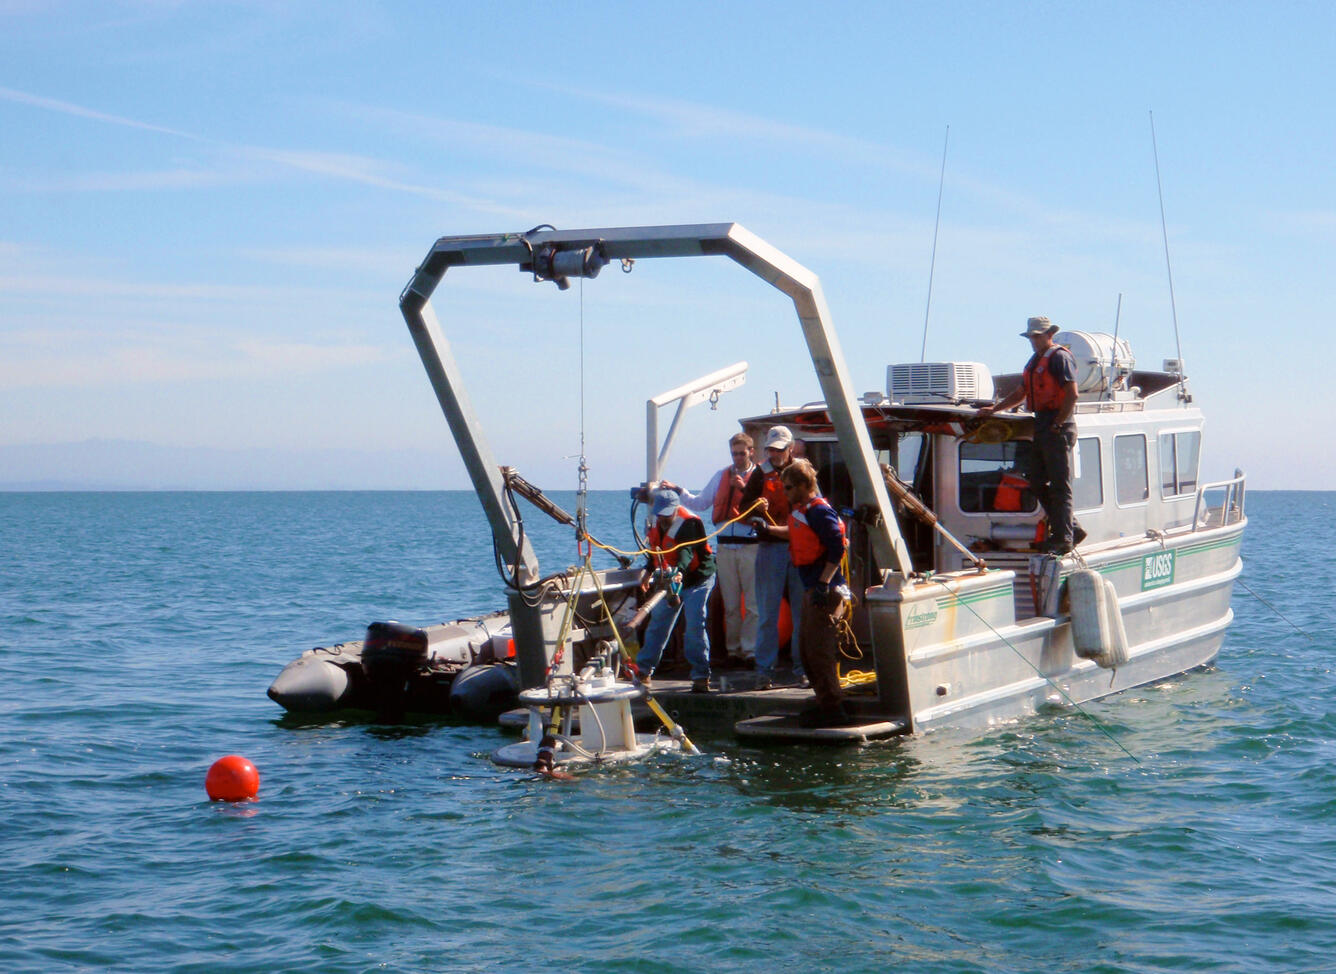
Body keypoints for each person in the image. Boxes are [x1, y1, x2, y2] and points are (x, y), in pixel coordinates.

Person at [977, 315, 1086, 553]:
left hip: (1057, 423)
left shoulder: (1059, 357)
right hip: (1043, 423)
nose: (1034, 341)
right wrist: (994, 408)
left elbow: (1072, 394)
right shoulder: (1035, 361)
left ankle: (1064, 539)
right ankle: (1071, 528)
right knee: (1036, 481)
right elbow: (1020, 393)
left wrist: (1058, 423)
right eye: (1032, 337)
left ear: (1049, 335)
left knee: (1060, 486)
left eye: (1038, 337)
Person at [662, 432, 759, 667]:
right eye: (734, 453)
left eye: (741, 453)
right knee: (731, 603)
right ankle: (733, 651)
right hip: (724, 547)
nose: (737, 457)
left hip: (752, 547)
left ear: (751, 452)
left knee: (753, 604)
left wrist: (744, 488)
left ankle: (751, 651)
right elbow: (700, 503)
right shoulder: (720, 476)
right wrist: (678, 490)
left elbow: (766, 508)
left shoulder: (759, 477)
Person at [778, 458, 853, 727]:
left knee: (819, 650)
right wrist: (765, 529)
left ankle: (834, 709)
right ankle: (825, 702)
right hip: (812, 588)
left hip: (825, 590)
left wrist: (823, 583)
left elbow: (837, 547)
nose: (785, 493)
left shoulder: (820, 512)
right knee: (806, 650)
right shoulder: (806, 511)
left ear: (801, 486)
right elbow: (797, 534)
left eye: (787, 488)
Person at [738, 425, 805, 689]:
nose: (775, 455)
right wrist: (756, 512)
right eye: (771, 450)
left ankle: (801, 668)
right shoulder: (759, 475)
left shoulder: (804, 473)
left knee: (802, 614)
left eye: (779, 450)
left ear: (791, 449)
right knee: (767, 613)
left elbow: (818, 506)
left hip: (800, 549)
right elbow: (742, 512)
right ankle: (764, 670)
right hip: (770, 550)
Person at [635, 488, 716, 693]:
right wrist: (647, 571)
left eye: (667, 514)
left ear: (675, 510)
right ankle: (644, 671)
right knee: (658, 623)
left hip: (697, 579)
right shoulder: (656, 524)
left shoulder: (689, 523)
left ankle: (700, 675)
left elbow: (686, 553)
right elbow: (656, 551)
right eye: (660, 514)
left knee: (695, 626)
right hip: (671, 579)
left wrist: (680, 571)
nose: (664, 518)